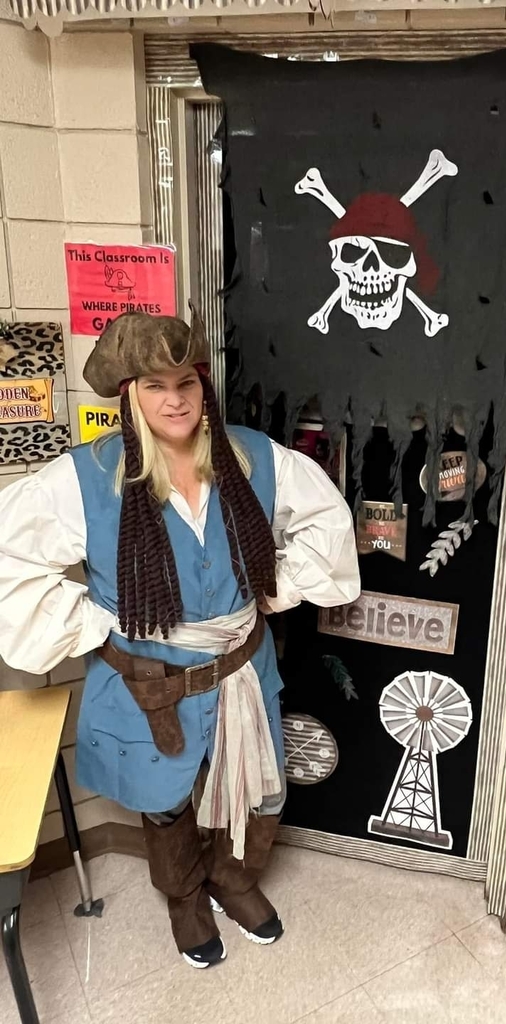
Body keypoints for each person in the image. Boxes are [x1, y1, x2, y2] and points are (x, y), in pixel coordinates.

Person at [0, 308, 360, 969]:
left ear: (203, 386)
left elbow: (327, 525)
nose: (175, 400)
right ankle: (184, 897)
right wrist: (95, 622)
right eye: (155, 386)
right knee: (166, 800)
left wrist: (273, 587)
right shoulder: (87, 476)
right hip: (149, 681)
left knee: (260, 787)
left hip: (241, 669)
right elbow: (10, 560)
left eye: (186, 383)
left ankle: (233, 879)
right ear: (129, 394)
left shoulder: (253, 457)